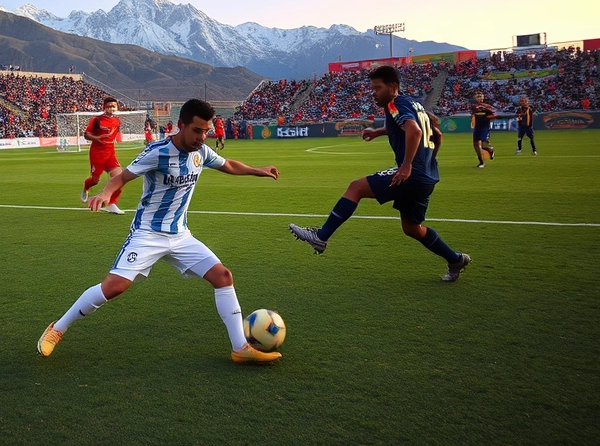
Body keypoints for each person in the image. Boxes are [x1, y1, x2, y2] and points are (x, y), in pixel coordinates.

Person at [38, 99, 283, 363]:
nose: (202, 137)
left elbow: (228, 165)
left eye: (206, 131)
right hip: (148, 234)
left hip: (181, 236)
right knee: (114, 287)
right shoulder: (158, 152)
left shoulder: (202, 152)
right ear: (181, 125)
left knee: (223, 277)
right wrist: (106, 194)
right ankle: (57, 328)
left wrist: (259, 170)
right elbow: (121, 177)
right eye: (197, 131)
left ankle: (240, 348)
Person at [288, 66, 470, 283]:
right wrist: (381, 132)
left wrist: (407, 166)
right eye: (372, 88)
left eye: (378, 88)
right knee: (412, 229)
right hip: (428, 178)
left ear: (393, 87)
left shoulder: (395, 103)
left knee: (355, 187)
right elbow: (436, 134)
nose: (373, 92)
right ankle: (455, 259)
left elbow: (415, 131)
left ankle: (320, 237)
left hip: (411, 175)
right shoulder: (415, 104)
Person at [81, 97, 125, 215]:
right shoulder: (97, 120)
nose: (112, 108)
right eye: (109, 106)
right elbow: (86, 134)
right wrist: (97, 138)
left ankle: (112, 204)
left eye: (114, 106)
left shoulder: (117, 120)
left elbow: (114, 133)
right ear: (104, 107)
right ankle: (86, 187)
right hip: (97, 153)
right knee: (95, 180)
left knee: (120, 178)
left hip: (110, 152)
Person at [470, 92, 497, 168]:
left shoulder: (487, 107)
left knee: (480, 144)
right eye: (477, 97)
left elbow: (493, 115)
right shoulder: (473, 107)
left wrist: (486, 118)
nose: (478, 98)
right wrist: (472, 122)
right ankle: (484, 158)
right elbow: (473, 115)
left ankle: (485, 158)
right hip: (477, 127)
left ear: (483, 98)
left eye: (480, 97)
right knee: (476, 145)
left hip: (484, 127)